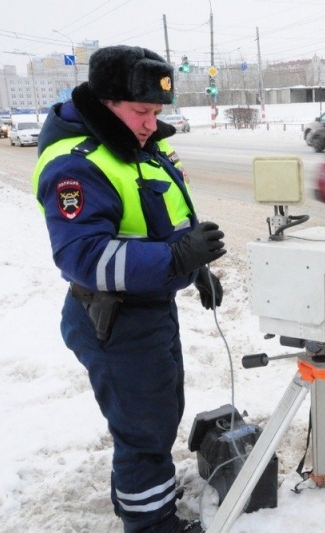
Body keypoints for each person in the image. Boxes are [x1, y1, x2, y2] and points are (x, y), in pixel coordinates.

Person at [33, 45, 226, 533]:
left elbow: (158, 218)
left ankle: (143, 496)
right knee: (143, 429)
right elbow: (84, 256)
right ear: (105, 102)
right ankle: (151, 524)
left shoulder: (140, 146)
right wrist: (175, 259)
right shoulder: (76, 165)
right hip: (113, 320)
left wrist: (191, 265)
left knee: (159, 414)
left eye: (157, 112)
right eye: (141, 111)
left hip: (148, 308)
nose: (149, 122)